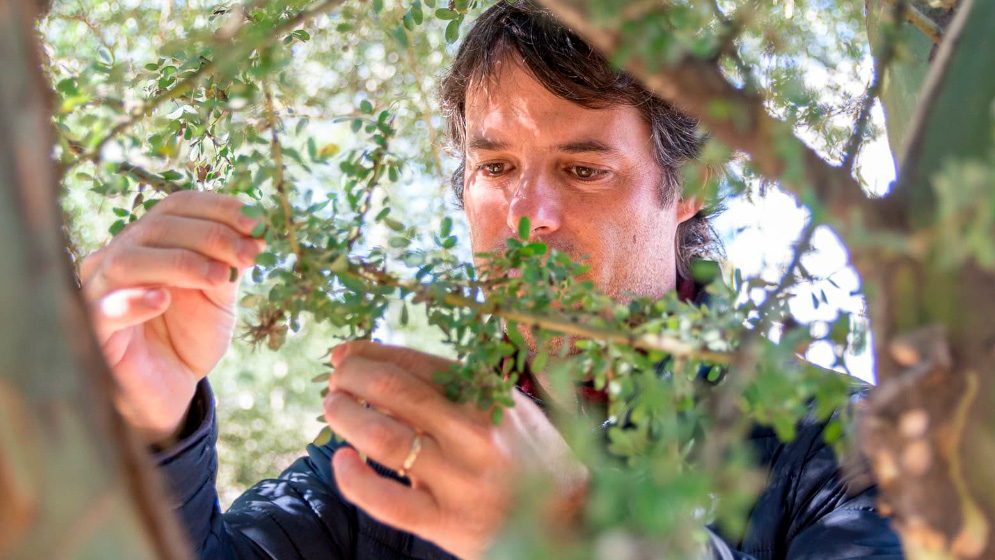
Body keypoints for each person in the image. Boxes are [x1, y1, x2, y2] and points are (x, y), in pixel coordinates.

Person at [80, 2, 904, 559]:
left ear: (694, 187)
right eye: (496, 166)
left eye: (582, 170)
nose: (526, 213)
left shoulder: (843, 447)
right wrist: (150, 431)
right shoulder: (408, 444)